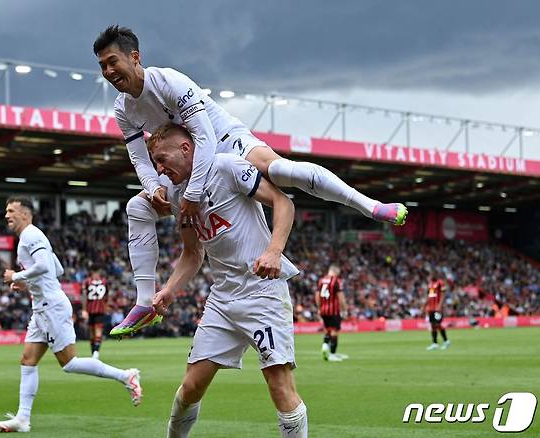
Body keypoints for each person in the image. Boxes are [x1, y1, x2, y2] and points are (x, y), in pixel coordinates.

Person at [92, 25, 408, 337]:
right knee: (138, 207)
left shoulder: (170, 82)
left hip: (226, 141)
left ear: (135, 57)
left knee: (283, 172)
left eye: (112, 61)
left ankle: (371, 206)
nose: (108, 71)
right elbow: (139, 158)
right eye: (102, 65)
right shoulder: (124, 109)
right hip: (187, 160)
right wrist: (154, 187)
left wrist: (193, 191)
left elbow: (204, 136)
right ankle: (145, 301)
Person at [149, 123, 308, 438]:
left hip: (262, 294)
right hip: (222, 300)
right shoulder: (181, 197)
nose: (159, 168)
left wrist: (275, 251)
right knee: (191, 385)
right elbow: (192, 254)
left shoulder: (226, 166)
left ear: (186, 148)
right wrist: (168, 289)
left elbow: (283, 202)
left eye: (162, 159)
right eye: (155, 162)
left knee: (279, 385)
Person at [0, 197, 142, 433]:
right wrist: (28, 283)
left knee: (69, 363)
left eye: (11, 210)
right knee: (28, 361)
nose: (6, 215)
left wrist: (16, 277)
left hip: (51, 307)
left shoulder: (31, 235)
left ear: (25, 214)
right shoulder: (31, 237)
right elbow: (57, 269)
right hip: (41, 307)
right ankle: (22, 418)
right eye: (6, 210)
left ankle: (126, 375)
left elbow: (42, 266)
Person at [314, 265, 348, 362]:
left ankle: (325, 346)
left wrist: (319, 307)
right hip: (333, 310)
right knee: (334, 331)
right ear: (336, 272)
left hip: (323, 310)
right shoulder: (336, 281)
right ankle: (332, 354)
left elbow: (317, 295)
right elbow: (340, 297)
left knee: (327, 330)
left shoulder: (321, 280)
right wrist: (345, 309)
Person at [81, 265, 110, 359]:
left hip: (95, 310)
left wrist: (84, 309)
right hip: (94, 310)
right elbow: (107, 296)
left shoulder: (86, 282)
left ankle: (95, 352)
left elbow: (84, 296)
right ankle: (94, 352)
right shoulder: (104, 281)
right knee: (92, 333)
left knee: (96, 331)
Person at [425, 271, 450, 351]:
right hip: (431, 308)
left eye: (432, 274)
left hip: (437, 308)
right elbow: (430, 296)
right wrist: (426, 306)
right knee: (432, 325)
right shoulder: (430, 284)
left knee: (437, 324)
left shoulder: (440, 283)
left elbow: (443, 295)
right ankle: (434, 343)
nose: (431, 276)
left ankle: (446, 341)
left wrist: (439, 306)